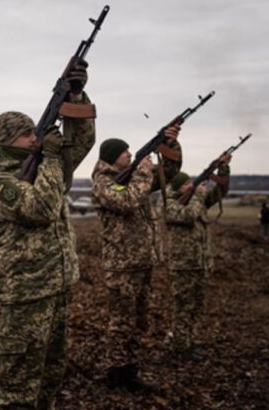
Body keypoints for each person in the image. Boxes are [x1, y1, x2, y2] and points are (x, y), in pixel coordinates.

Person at [0, 63, 95, 410]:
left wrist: (75, 95)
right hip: (26, 291)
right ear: (9, 142)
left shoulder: (42, 163)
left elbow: (83, 142)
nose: (36, 138)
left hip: (56, 284)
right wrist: (48, 156)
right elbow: (41, 208)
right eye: (27, 134)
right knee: (18, 384)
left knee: (50, 372)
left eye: (36, 131)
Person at [90, 129, 182, 391]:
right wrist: (142, 171)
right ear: (111, 157)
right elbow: (127, 201)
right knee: (121, 324)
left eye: (130, 150)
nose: (130, 154)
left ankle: (130, 372)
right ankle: (116, 375)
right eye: (124, 151)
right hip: (122, 266)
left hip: (141, 261)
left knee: (139, 321)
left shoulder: (131, 178)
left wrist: (169, 143)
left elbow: (171, 173)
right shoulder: (103, 183)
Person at [162, 155, 231, 362]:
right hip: (183, 265)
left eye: (190, 183)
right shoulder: (170, 204)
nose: (191, 186)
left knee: (196, 306)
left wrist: (223, 171)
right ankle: (180, 346)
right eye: (186, 184)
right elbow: (189, 216)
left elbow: (220, 192)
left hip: (199, 263)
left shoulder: (193, 199)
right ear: (177, 188)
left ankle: (189, 341)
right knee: (183, 306)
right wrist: (197, 196)